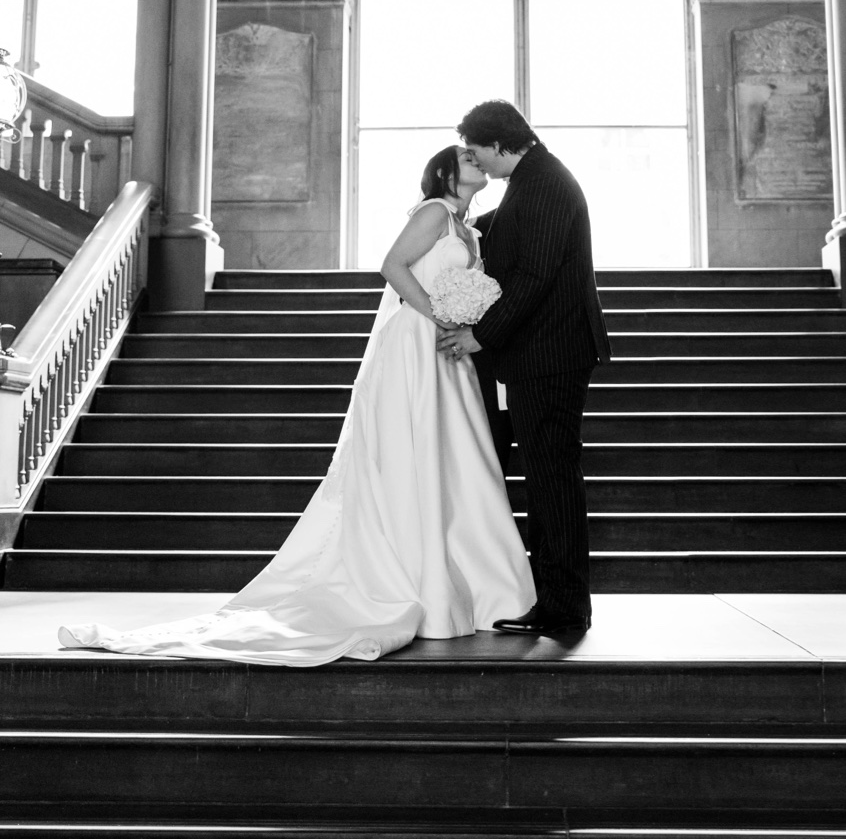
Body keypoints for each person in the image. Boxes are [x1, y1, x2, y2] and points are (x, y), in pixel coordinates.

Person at [58, 146, 532, 664]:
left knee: (459, 463)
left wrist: (462, 324)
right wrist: (439, 314)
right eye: (468, 157)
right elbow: (392, 267)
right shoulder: (434, 213)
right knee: (413, 455)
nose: (478, 163)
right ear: (444, 171)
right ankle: (416, 580)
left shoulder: (471, 229)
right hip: (417, 344)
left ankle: (470, 585)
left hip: (449, 353)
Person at [438, 100, 610, 638]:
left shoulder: (546, 183)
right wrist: (447, 222)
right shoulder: (534, 181)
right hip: (538, 355)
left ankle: (562, 606)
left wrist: (479, 334)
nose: (479, 164)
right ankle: (549, 597)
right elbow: (504, 233)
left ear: (499, 144)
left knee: (552, 480)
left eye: (479, 152)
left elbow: (534, 275)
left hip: (550, 357)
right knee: (544, 478)